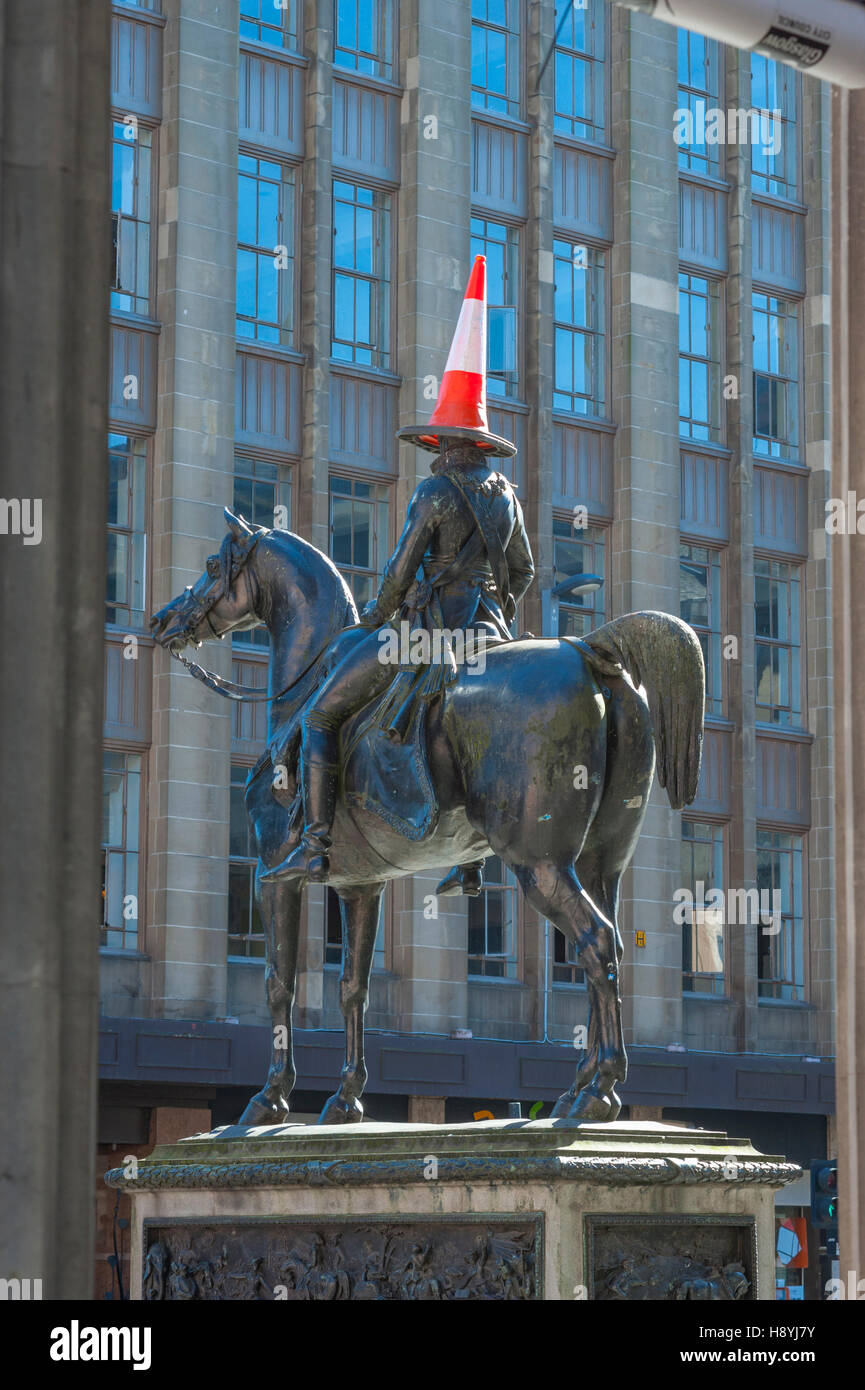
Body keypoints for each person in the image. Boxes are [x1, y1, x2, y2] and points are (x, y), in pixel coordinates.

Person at [262, 256, 535, 890]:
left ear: (442, 442)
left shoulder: (434, 494)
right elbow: (522, 570)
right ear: (482, 443)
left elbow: (397, 573)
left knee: (321, 717)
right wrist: (493, 616)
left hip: (424, 636)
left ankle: (315, 842)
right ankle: (471, 858)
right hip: (488, 634)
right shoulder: (507, 496)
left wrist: (378, 621)